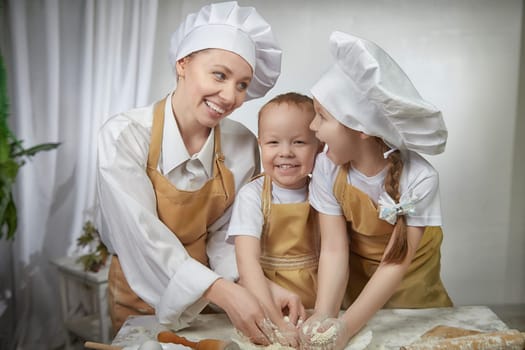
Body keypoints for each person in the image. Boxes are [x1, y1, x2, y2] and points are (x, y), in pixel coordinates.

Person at [96, 1, 293, 344]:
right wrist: (227, 293)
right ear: (183, 63)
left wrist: (257, 287)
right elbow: (142, 237)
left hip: (213, 304)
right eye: (219, 75)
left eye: (243, 85)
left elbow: (225, 238)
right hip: (140, 300)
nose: (230, 95)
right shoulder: (124, 135)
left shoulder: (242, 145)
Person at [300, 31, 453, 350]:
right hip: (356, 300)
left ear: (362, 130)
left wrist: (346, 328)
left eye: (322, 117)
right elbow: (333, 249)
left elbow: (395, 262)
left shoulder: (419, 178)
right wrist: (327, 317)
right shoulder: (328, 166)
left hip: (416, 305)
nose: (313, 127)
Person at [226, 92, 323, 346]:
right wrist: (277, 324)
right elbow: (247, 265)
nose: (286, 152)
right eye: (273, 143)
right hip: (268, 305)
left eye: (299, 142)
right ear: (260, 144)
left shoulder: (323, 193)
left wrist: (324, 315)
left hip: (315, 307)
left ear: (319, 146)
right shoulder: (252, 195)